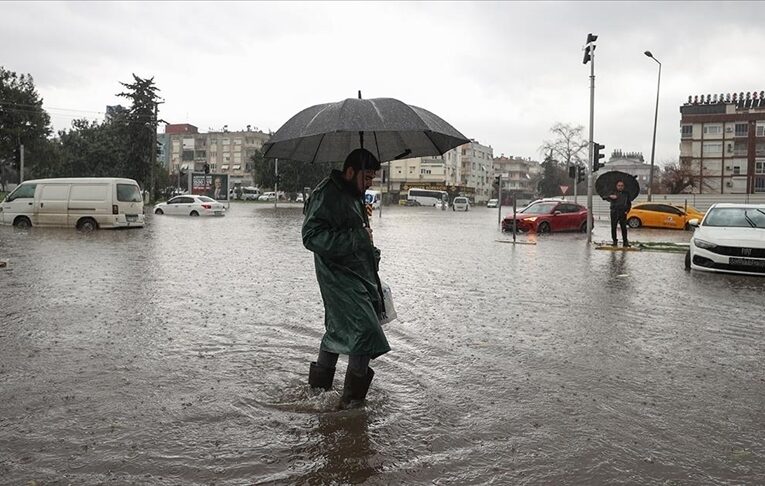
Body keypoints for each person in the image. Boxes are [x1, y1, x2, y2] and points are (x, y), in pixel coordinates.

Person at [301, 148, 389, 409]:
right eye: (367, 177)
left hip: (358, 275)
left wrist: (371, 251)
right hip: (337, 277)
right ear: (350, 172)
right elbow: (311, 237)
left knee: (338, 330)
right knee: (364, 332)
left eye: (373, 179)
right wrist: (358, 238)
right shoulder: (326, 194)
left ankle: (317, 394)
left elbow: (357, 234)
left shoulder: (354, 195)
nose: (369, 184)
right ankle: (352, 404)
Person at [605, 179, 631, 247]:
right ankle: (614, 241)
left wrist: (627, 211)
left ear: (623, 186)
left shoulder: (626, 193)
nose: (620, 187)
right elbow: (604, 197)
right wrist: (610, 196)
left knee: (624, 227)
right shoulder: (612, 192)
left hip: (623, 212)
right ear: (616, 186)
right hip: (614, 212)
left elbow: (629, 203)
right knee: (613, 227)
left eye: (622, 186)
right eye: (619, 185)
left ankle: (625, 242)